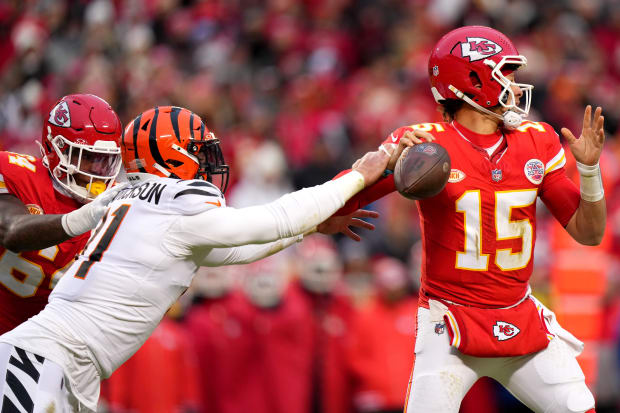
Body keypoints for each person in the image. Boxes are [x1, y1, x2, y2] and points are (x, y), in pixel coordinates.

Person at [0, 105, 388, 412]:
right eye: (198, 152)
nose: (208, 162)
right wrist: (353, 178)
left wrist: (311, 229)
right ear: (171, 155)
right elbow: (274, 219)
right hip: (44, 359)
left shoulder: (139, 201)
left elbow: (235, 250)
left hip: (62, 361)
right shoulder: (174, 207)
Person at [334, 26, 605, 413]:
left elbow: (589, 232)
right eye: (504, 73)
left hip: (520, 317)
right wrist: (344, 200)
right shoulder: (423, 143)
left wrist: (590, 171)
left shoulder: (537, 140)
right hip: (450, 321)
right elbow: (348, 191)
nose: (513, 84)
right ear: (472, 81)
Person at [0, 93, 125, 334]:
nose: (98, 172)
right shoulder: (16, 174)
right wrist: (84, 218)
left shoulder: (118, 202)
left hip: (53, 347)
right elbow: (11, 231)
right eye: (88, 157)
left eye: (106, 161)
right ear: (55, 147)